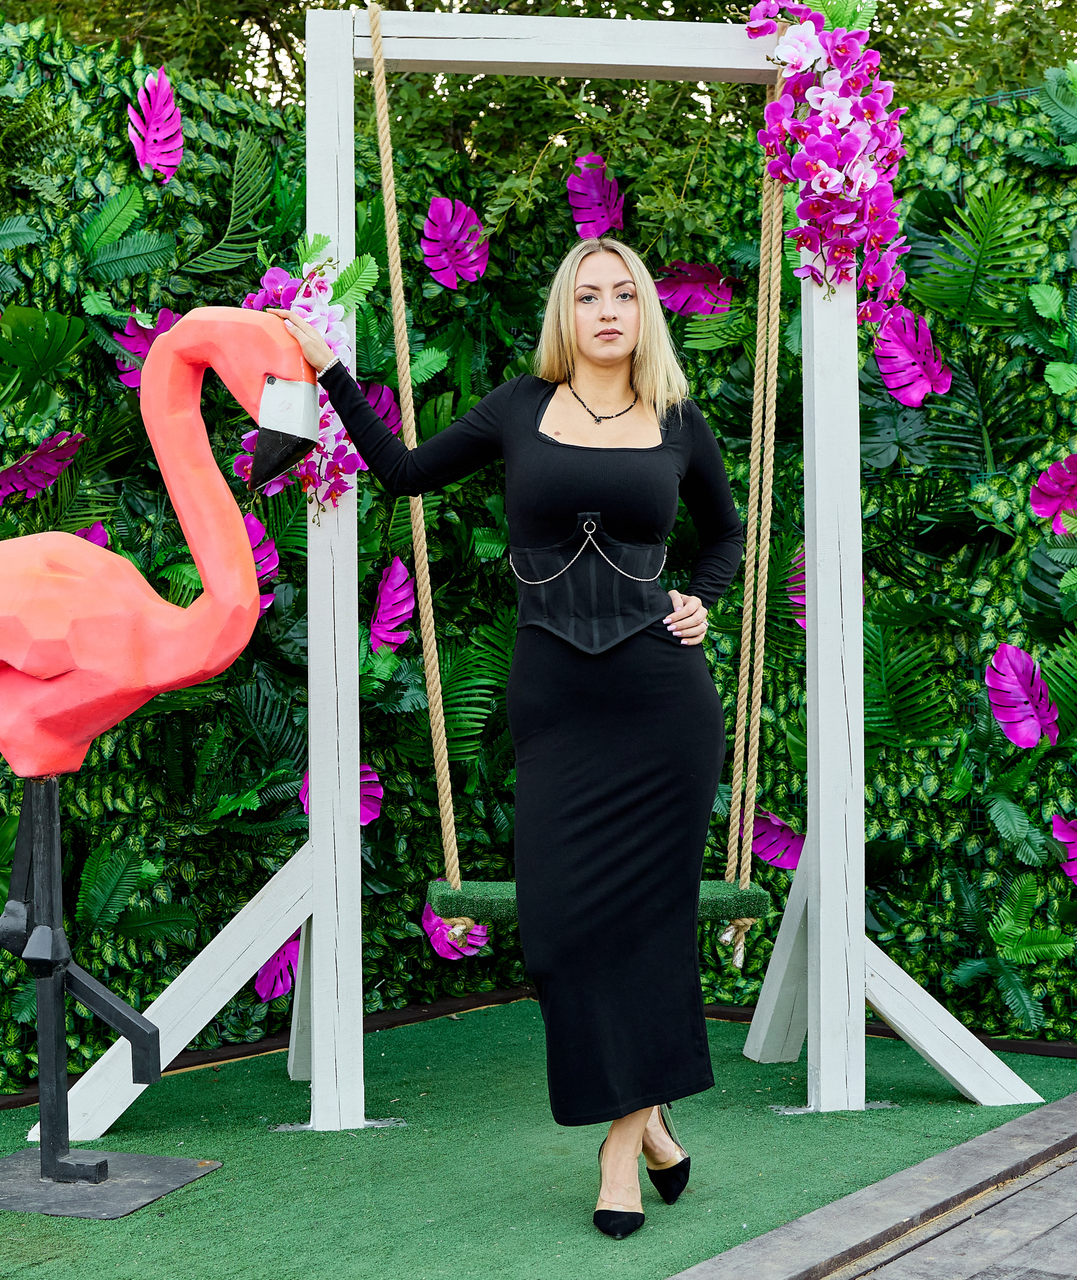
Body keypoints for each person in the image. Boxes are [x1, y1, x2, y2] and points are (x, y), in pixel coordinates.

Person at [271, 235, 745, 1240]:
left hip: (663, 704)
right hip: (556, 700)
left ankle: (619, 1147)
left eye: (624, 294)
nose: (608, 310)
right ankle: (655, 1123)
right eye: (589, 295)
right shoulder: (520, 406)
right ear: (566, 313)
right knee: (558, 926)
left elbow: (726, 533)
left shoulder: (677, 419)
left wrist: (702, 599)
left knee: (651, 928)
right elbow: (403, 472)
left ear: (644, 312)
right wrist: (331, 370)